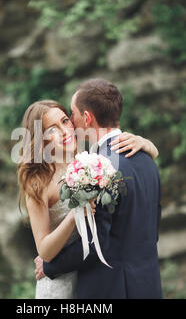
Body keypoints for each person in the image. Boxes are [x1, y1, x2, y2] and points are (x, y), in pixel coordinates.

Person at [33, 79, 162, 298]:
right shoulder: (147, 159)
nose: (71, 123)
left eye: (72, 115)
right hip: (147, 285)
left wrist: (48, 267)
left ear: (87, 118)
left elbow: (96, 245)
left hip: (113, 290)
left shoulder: (99, 168)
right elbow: (153, 227)